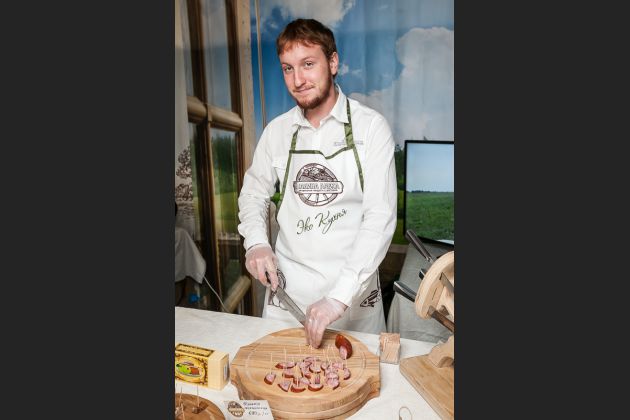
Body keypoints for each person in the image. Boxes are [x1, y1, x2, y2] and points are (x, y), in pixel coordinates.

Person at [237, 18, 397, 348]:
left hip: (353, 302)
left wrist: (338, 298)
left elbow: (379, 217)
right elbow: (253, 193)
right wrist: (256, 242)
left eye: (308, 64)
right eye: (288, 68)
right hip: (288, 300)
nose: (298, 80)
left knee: (359, 378)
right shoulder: (277, 132)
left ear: (333, 62)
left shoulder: (371, 128)